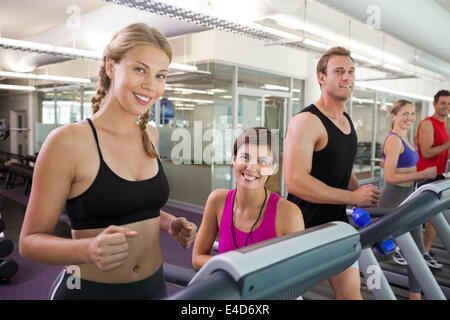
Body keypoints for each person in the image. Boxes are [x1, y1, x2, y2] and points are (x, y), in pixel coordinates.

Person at [19, 23, 197, 300]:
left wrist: (167, 222)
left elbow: (126, 204)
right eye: (140, 69)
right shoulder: (68, 142)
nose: (151, 85)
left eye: (161, 75)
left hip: (153, 287)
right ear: (111, 67)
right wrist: (88, 249)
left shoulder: (150, 134)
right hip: (91, 291)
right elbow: (29, 243)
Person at [284, 46, 380, 300]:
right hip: (302, 227)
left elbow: (342, 166)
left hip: (335, 224)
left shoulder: (346, 119)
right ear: (321, 77)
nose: (347, 77)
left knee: (351, 294)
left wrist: (360, 191)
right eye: (339, 71)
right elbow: (295, 181)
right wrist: (352, 197)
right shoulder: (306, 122)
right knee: (287, 295)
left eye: (351, 71)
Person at [192, 127, 304, 269]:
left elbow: (297, 273)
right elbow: (197, 258)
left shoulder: (289, 213)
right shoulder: (218, 200)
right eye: (245, 157)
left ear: (273, 168)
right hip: (228, 288)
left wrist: (236, 268)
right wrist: (236, 267)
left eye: (262, 161)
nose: (251, 167)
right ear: (234, 160)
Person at [377, 99, 437, 300]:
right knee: (379, 251)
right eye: (404, 114)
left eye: (412, 113)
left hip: (408, 198)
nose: (410, 118)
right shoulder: (394, 140)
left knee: (417, 253)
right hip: (393, 200)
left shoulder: (405, 137)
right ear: (393, 116)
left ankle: (415, 296)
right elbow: (390, 177)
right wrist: (421, 174)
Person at [415, 89, 450, 270]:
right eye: (443, 103)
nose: (446, 106)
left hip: (439, 175)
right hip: (426, 176)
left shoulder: (444, 124)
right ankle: (402, 248)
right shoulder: (428, 124)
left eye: (449, 103)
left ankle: (425, 251)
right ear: (435, 104)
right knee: (421, 217)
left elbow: (444, 151)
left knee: (436, 219)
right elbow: (427, 151)